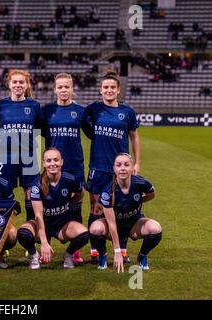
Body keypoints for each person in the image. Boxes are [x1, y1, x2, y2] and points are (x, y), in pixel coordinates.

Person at [85, 71, 140, 264]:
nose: (109, 90)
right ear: (100, 90)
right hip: (98, 167)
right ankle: (95, 249)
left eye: (112, 87)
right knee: (96, 208)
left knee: (119, 208)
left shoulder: (127, 112)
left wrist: (137, 162)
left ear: (118, 90)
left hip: (120, 168)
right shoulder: (93, 109)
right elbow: (84, 126)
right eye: (105, 87)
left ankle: (122, 249)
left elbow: (134, 136)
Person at [41, 73, 92, 265]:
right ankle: (45, 246)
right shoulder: (47, 111)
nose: (63, 90)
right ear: (55, 89)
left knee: (75, 205)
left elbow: (92, 134)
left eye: (67, 87)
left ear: (72, 88)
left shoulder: (80, 110)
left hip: (74, 165)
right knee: (47, 203)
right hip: (52, 166)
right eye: (60, 87)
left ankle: (74, 250)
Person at [17, 148, 89, 270]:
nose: (52, 163)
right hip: (42, 225)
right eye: (48, 160)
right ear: (44, 164)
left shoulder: (70, 179)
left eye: (56, 160)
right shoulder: (37, 185)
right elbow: (38, 216)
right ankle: (34, 255)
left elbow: (80, 193)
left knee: (85, 234)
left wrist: (70, 203)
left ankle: (68, 255)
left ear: (62, 162)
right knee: (23, 234)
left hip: (62, 225)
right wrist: (44, 243)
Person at [89, 153, 162, 272]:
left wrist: (139, 202)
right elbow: (112, 224)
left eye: (126, 165)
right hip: (114, 226)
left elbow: (152, 194)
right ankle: (103, 255)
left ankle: (142, 255)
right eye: (119, 165)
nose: (122, 168)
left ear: (132, 167)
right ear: (114, 168)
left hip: (134, 225)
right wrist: (117, 252)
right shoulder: (108, 191)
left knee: (155, 228)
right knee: (94, 229)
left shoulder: (140, 182)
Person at [0, 69, 42, 225]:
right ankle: (5, 233)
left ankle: (30, 232)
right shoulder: (1, 106)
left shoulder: (34, 105)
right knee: (4, 192)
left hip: (28, 155)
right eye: (14, 82)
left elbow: (40, 127)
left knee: (31, 193)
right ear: (9, 84)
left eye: (21, 82)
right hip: (6, 156)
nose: (18, 85)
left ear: (27, 84)